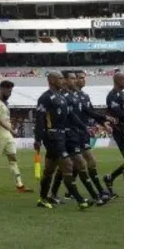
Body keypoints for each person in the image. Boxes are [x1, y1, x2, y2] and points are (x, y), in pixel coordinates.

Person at [34, 71, 90, 210]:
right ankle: (80, 200)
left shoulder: (61, 97)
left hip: (62, 136)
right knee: (68, 165)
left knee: (49, 170)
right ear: (51, 80)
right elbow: (40, 119)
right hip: (52, 137)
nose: (62, 81)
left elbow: (71, 116)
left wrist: (84, 127)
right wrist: (38, 139)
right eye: (59, 78)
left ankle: (43, 198)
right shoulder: (45, 98)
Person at [48, 71, 103, 206]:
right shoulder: (61, 96)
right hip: (67, 135)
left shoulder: (79, 95)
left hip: (79, 132)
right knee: (80, 163)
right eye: (74, 78)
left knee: (70, 166)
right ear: (66, 80)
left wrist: (101, 121)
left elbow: (87, 112)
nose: (79, 81)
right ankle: (97, 194)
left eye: (80, 78)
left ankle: (56, 193)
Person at [75, 70, 114, 201]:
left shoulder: (84, 95)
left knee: (74, 165)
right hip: (74, 133)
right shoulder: (69, 96)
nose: (83, 80)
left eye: (84, 77)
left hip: (83, 132)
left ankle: (58, 193)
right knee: (89, 161)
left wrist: (103, 123)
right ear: (74, 79)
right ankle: (100, 191)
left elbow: (91, 112)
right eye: (80, 78)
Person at [104, 71, 124, 197]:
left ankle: (110, 177)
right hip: (120, 130)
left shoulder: (121, 94)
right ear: (118, 81)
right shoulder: (112, 96)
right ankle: (110, 177)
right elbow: (120, 114)